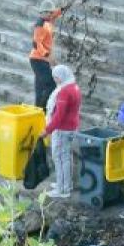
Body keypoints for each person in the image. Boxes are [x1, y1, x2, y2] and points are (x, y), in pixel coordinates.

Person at [41, 65, 81, 199]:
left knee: (59, 157)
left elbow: (59, 115)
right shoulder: (74, 87)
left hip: (63, 129)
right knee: (66, 157)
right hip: (72, 127)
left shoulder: (64, 92)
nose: (55, 80)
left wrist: (47, 130)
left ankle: (62, 189)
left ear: (62, 76)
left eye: (56, 77)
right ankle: (65, 184)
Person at [29, 0, 64, 109]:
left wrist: (63, 8)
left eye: (50, 12)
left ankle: (38, 109)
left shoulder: (48, 20)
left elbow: (55, 14)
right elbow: (36, 44)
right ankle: (43, 108)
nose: (50, 14)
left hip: (42, 59)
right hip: (38, 59)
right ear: (42, 13)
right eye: (48, 12)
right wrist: (47, 55)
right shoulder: (40, 25)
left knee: (40, 86)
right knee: (51, 84)